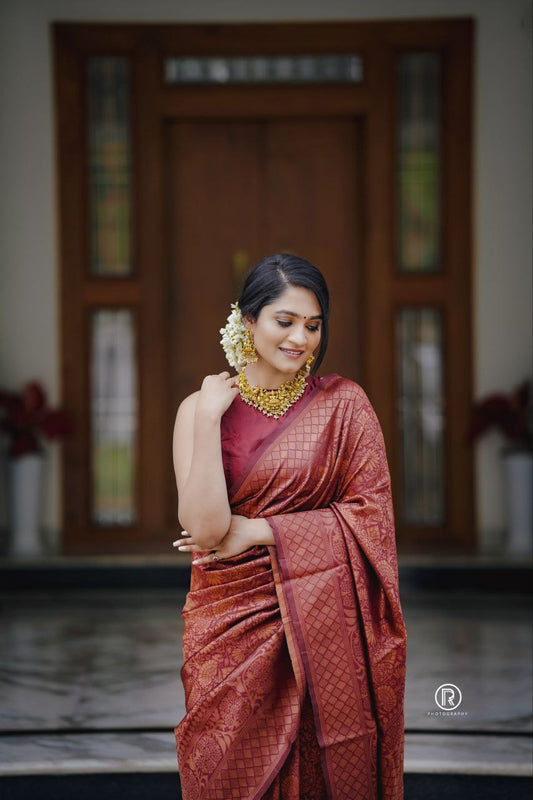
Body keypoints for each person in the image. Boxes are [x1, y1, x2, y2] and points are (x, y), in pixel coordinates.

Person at [172, 253, 407, 800]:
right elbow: (206, 532)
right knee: (224, 764)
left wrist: (261, 532)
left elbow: (372, 516)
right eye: (285, 320)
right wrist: (210, 417)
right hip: (226, 623)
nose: (301, 337)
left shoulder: (344, 405)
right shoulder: (198, 411)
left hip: (326, 621)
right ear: (247, 321)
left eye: (313, 324)